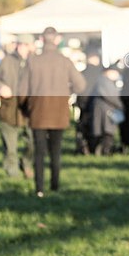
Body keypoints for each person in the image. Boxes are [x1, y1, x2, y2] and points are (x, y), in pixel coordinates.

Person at [18, 26, 85, 197]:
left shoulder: (33, 61)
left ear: (41, 39)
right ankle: (55, 186)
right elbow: (81, 85)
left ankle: (39, 189)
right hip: (59, 112)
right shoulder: (64, 61)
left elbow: (22, 92)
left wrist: (25, 108)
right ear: (56, 39)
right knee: (56, 151)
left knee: (39, 152)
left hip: (38, 112)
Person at [0, 34, 34, 178]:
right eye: (21, 45)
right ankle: (13, 174)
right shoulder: (7, 61)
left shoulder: (34, 62)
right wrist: (1, 86)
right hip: (9, 108)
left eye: (26, 45)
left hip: (28, 109)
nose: (23, 48)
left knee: (32, 143)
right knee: (10, 146)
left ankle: (26, 163)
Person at [91, 65, 124, 155]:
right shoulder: (104, 81)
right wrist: (121, 105)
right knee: (107, 132)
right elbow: (111, 97)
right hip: (105, 111)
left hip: (105, 110)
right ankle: (105, 151)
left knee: (105, 132)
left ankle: (104, 150)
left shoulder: (103, 80)